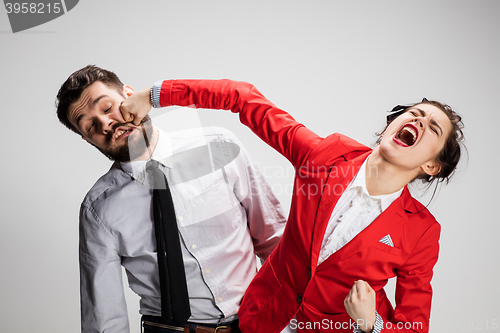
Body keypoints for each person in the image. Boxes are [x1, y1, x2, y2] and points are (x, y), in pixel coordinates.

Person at [120, 79, 464, 333]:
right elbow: (244, 100)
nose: (419, 121)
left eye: (432, 127)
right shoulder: (325, 156)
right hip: (260, 321)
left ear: (432, 166)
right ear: (391, 125)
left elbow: (413, 326)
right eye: (414, 114)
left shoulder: (421, 232)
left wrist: (370, 323)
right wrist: (154, 95)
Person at [55, 67, 287, 333]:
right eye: (91, 126)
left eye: (107, 108)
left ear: (129, 95)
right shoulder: (98, 209)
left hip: (258, 323)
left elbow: (275, 241)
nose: (105, 123)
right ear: (87, 140)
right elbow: (104, 318)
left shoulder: (218, 147)